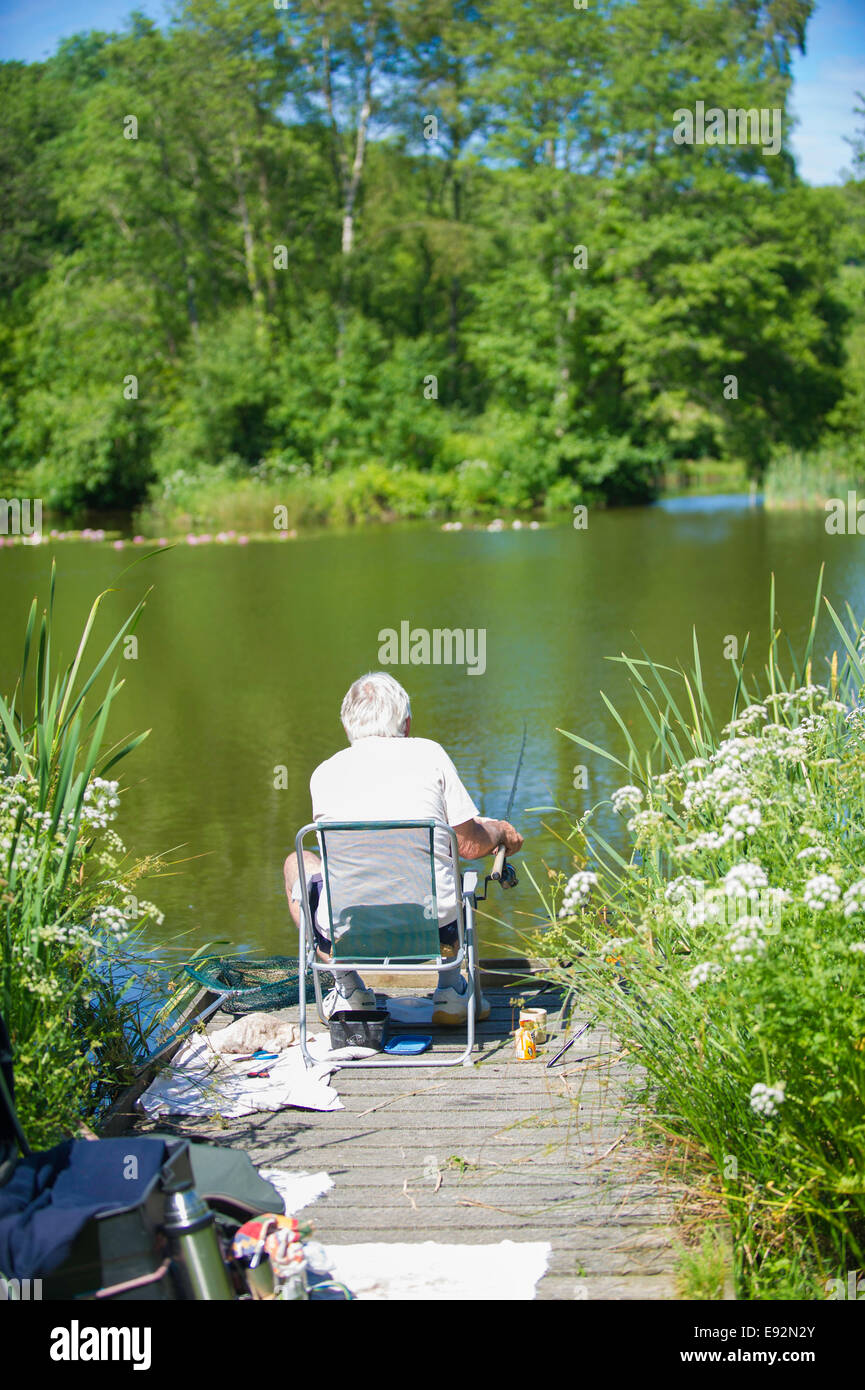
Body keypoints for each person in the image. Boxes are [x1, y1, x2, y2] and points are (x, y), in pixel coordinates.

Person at [283, 672, 523, 1024]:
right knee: (447, 863)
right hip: (434, 932)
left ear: (348, 726)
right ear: (406, 724)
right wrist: (499, 831)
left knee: (297, 863)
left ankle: (348, 989)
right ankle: (449, 989)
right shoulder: (430, 755)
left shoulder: (324, 773)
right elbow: (469, 844)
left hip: (347, 934)